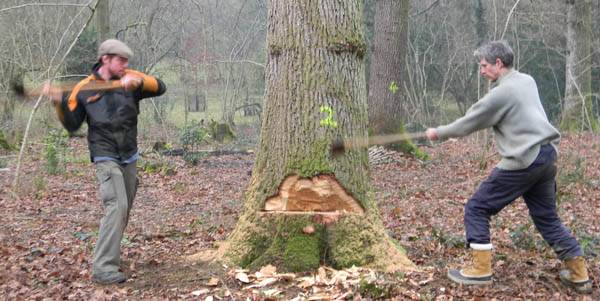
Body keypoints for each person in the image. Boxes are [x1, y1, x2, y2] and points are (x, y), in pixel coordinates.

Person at [425, 40, 591, 294]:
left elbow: (471, 121)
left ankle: (480, 270)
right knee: (547, 218)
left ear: (498, 64)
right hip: (547, 156)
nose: (481, 71)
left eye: (483, 66)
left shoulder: (502, 93)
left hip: (525, 159)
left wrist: (439, 132)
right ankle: (579, 272)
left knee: (477, 207)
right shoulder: (527, 80)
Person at [42, 39, 167, 284]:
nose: (125, 64)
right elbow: (72, 124)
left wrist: (139, 82)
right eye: (120, 60)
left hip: (129, 154)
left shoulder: (130, 79)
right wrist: (58, 101)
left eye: (126, 60)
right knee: (116, 206)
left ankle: (112, 257)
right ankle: (103, 267)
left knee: (123, 210)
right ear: (105, 59)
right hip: (104, 153)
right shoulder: (84, 88)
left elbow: (161, 87)